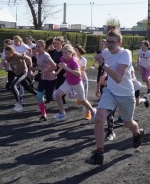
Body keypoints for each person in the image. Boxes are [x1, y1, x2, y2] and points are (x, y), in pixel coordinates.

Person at [88, 30, 144, 165]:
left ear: (120, 43)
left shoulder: (125, 53)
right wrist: (102, 78)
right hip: (110, 92)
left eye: (112, 42)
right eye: (107, 41)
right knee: (99, 118)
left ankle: (137, 133)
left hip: (125, 94)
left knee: (127, 123)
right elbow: (105, 67)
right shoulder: (105, 53)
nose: (109, 44)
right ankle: (99, 153)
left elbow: (119, 77)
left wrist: (103, 65)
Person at [53, 44, 97, 121]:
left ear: (71, 53)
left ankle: (93, 111)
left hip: (77, 83)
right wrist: (58, 71)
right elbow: (62, 66)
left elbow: (78, 74)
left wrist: (66, 68)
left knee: (82, 100)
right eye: (63, 52)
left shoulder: (74, 61)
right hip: (68, 82)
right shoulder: (62, 58)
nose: (64, 54)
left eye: (66, 53)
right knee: (58, 95)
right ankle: (62, 113)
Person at [4, 46, 37, 112]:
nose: (6, 55)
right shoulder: (7, 58)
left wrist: (30, 70)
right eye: (5, 53)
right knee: (27, 88)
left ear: (12, 53)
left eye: (8, 53)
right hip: (18, 74)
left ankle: (19, 104)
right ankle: (39, 95)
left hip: (24, 72)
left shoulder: (17, 55)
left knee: (13, 85)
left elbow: (29, 59)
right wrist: (6, 66)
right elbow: (7, 69)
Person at [33, 40, 57, 121]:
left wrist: (44, 72)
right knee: (39, 95)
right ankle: (44, 114)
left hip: (51, 79)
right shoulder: (38, 55)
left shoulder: (46, 56)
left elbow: (54, 67)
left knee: (49, 98)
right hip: (43, 79)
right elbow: (42, 66)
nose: (37, 48)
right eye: (36, 46)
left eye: (39, 46)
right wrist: (34, 68)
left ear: (44, 47)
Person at [74, 44, 92, 120]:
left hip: (82, 79)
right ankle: (79, 98)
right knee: (78, 95)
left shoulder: (83, 60)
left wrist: (80, 80)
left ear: (79, 51)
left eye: (76, 50)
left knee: (85, 98)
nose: (74, 51)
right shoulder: (72, 59)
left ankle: (88, 112)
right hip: (74, 78)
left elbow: (82, 71)